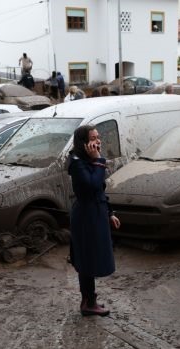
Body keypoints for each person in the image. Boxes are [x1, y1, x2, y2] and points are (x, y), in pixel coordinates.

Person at [68, 125, 121, 317]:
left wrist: (109, 213)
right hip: (85, 217)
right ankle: (88, 302)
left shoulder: (88, 160)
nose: (98, 141)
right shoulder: (77, 162)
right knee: (86, 260)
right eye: (93, 138)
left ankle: (89, 301)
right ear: (83, 143)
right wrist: (98, 160)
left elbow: (100, 191)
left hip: (96, 214)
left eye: (98, 137)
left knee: (91, 258)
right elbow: (92, 185)